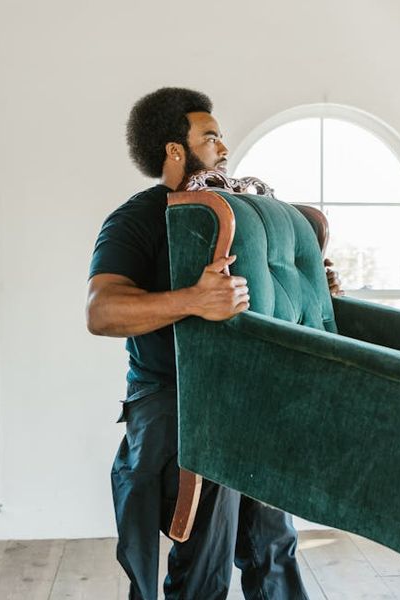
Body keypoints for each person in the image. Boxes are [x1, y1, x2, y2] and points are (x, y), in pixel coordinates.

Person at [86, 87, 342, 600]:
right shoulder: (137, 217)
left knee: (274, 546)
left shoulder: (239, 213)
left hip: (249, 397)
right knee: (205, 553)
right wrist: (193, 300)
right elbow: (101, 311)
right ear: (174, 151)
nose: (224, 145)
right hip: (178, 399)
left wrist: (308, 285)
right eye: (210, 136)